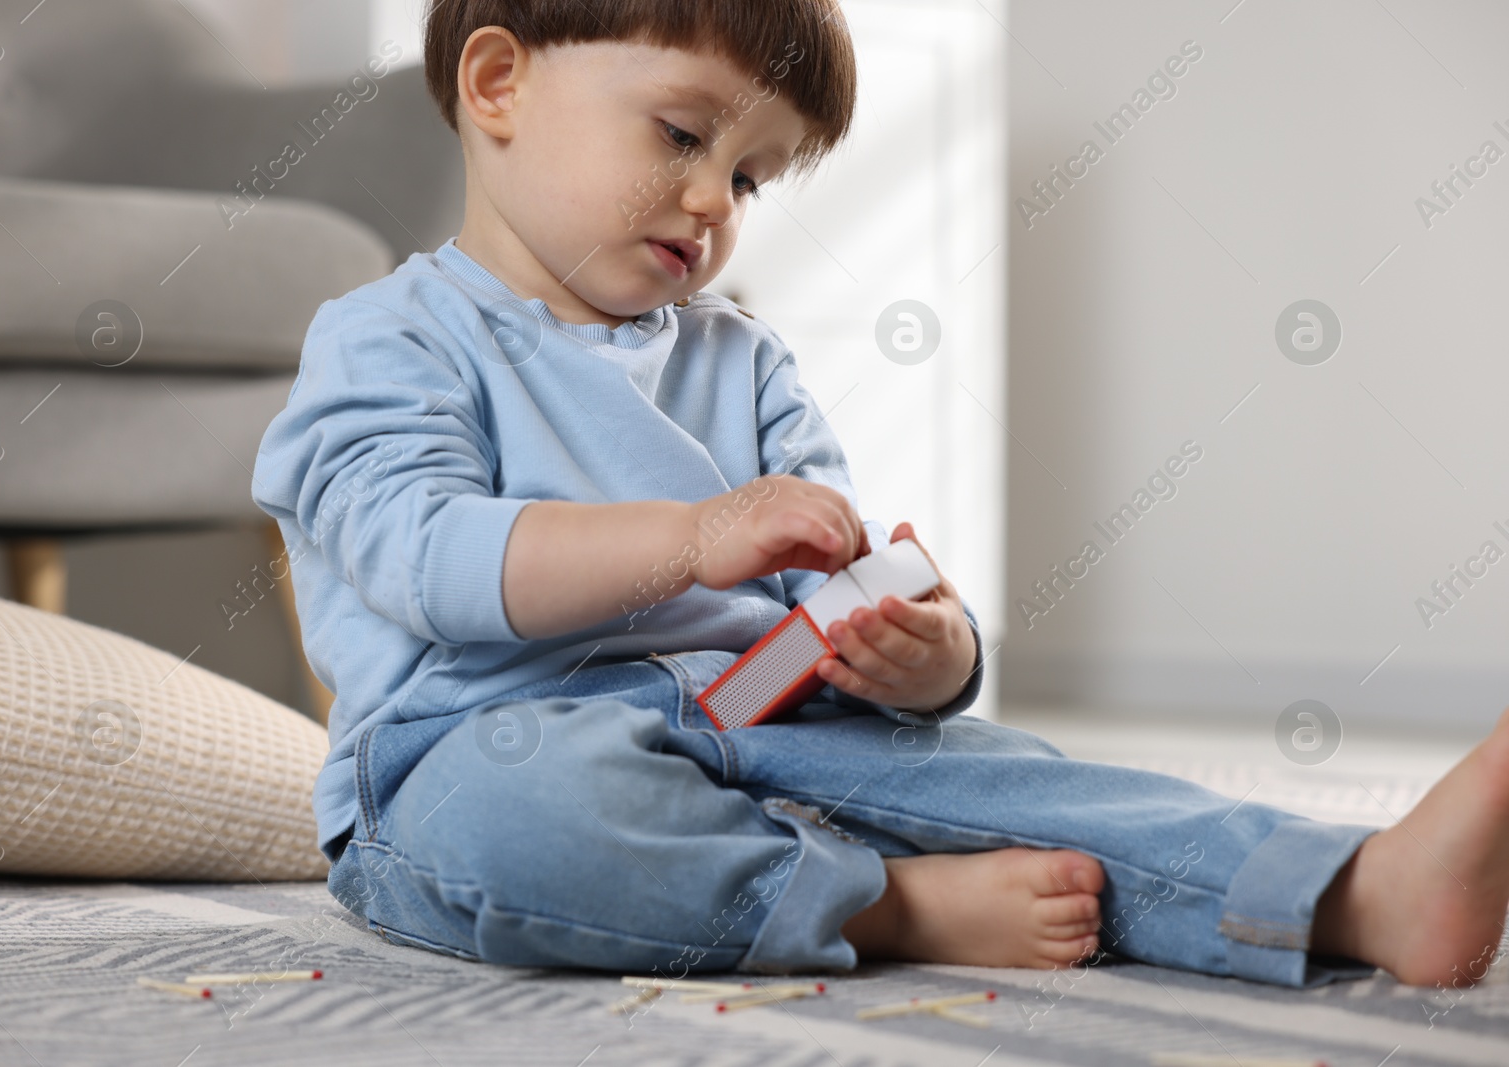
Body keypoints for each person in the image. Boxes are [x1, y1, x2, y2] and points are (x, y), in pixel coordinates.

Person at [251, 0, 1509, 988]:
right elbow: (423, 555)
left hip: (775, 729)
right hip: (478, 745)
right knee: (532, 828)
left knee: (1021, 787)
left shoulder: (743, 362)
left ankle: (1361, 891)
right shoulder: (385, 336)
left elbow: (832, 585)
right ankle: (887, 906)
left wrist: (923, 655)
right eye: (683, 136)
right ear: (498, 84)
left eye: (751, 177)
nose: (712, 202)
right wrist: (693, 540)